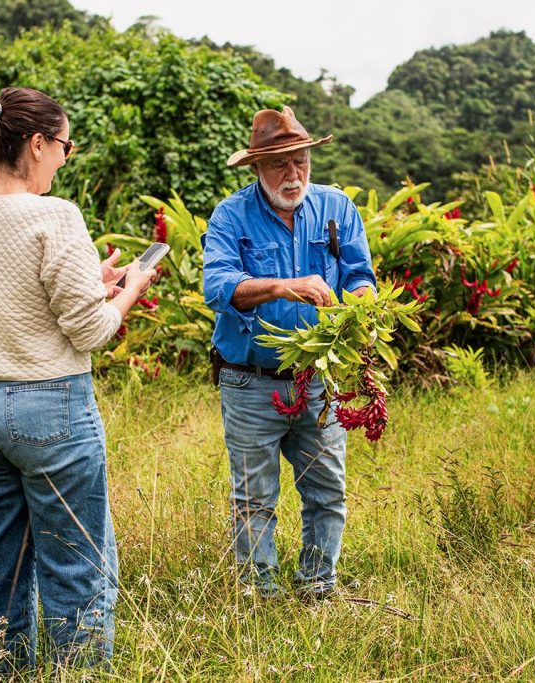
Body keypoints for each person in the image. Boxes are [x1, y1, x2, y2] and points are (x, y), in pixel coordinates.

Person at [0, 87, 157, 675]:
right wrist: (129, 289)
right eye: (63, 146)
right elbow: (89, 330)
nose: (65, 157)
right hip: (49, 407)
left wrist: (93, 278)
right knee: (77, 567)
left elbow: (7, 297)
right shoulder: (54, 215)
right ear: (37, 144)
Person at [202, 106, 377, 599]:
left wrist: (362, 300)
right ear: (257, 167)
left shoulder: (337, 209)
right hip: (249, 378)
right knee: (254, 498)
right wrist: (282, 287)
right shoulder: (231, 216)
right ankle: (259, 594)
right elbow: (217, 286)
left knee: (327, 491)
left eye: (300, 160)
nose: (293, 173)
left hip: (317, 378)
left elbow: (360, 274)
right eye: (280, 163)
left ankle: (318, 586)